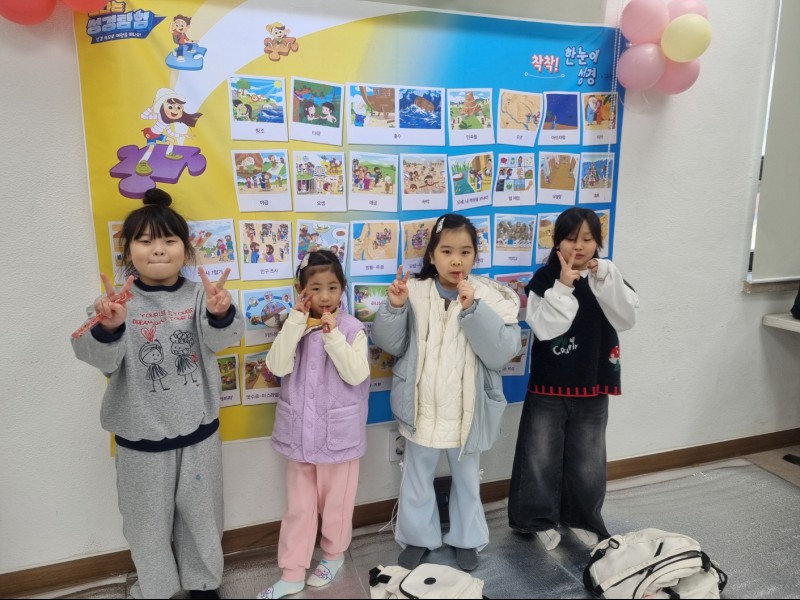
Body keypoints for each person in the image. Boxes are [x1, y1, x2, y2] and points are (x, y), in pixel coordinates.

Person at [71, 188, 244, 599]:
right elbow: (94, 355)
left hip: (200, 433)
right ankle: (158, 589)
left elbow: (224, 340)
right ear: (129, 250)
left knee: (203, 517)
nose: (159, 249)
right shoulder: (113, 303)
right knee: (146, 525)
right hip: (140, 439)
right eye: (146, 241)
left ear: (186, 248)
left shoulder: (202, 295)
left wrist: (221, 314)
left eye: (169, 240)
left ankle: (204, 584)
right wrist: (109, 326)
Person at [371, 213, 521, 572]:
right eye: (447, 251)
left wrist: (473, 309)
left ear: (475, 256)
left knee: (467, 481)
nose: (456, 261)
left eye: (465, 252)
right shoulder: (415, 291)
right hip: (420, 407)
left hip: (467, 412)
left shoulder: (492, 297)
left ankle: (467, 538)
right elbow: (390, 344)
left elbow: (501, 352)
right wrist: (395, 307)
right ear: (432, 256)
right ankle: (417, 537)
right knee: (416, 478)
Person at [507, 207, 639, 551]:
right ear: (556, 242)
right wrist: (563, 286)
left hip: (594, 383)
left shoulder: (606, 276)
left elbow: (626, 318)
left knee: (588, 459)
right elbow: (544, 328)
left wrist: (606, 278)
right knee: (539, 455)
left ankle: (582, 518)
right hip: (549, 385)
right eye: (570, 238)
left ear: (598, 242)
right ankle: (535, 520)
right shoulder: (545, 277)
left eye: (587, 239)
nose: (578, 246)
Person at [257, 250, 370, 599]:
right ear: (300, 290)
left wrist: (333, 336)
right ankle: (292, 572)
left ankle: (334, 556)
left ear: (343, 288)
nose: (324, 297)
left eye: (332, 288)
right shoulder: (294, 327)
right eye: (315, 288)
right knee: (299, 509)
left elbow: (356, 374)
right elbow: (277, 367)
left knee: (336, 505)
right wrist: (295, 324)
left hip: (339, 437)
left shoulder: (352, 329)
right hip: (299, 437)